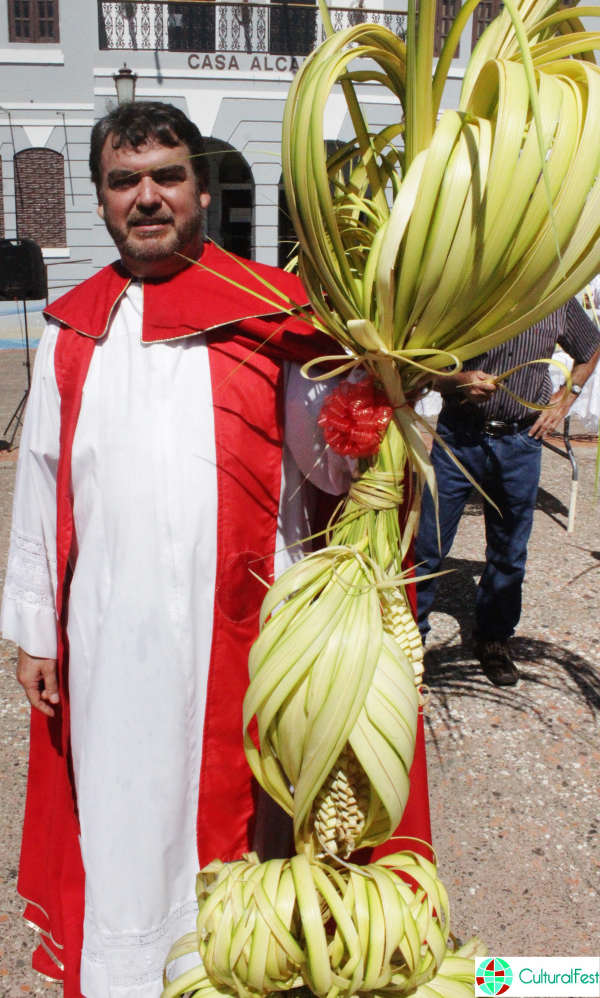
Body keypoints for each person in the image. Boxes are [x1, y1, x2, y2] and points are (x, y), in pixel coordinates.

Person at [0, 102, 360, 998]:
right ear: (102, 200)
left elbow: (330, 472)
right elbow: (40, 482)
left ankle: (236, 966)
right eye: (125, 181)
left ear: (202, 187)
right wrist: (35, 628)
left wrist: (369, 394)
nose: (147, 197)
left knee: (242, 814)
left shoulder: (271, 313)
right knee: (123, 812)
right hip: (112, 636)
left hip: (243, 623)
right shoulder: (74, 329)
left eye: (167, 175)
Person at [415, 299, 600, 688]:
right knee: (428, 545)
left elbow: (590, 347)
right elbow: (424, 368)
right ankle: (409, 640)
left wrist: (567, 397)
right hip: (458, 436)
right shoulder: (477, 290)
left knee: (509, 551)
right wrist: (459, 381)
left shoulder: (557, 297)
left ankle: (495, 639)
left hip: (520, 440)